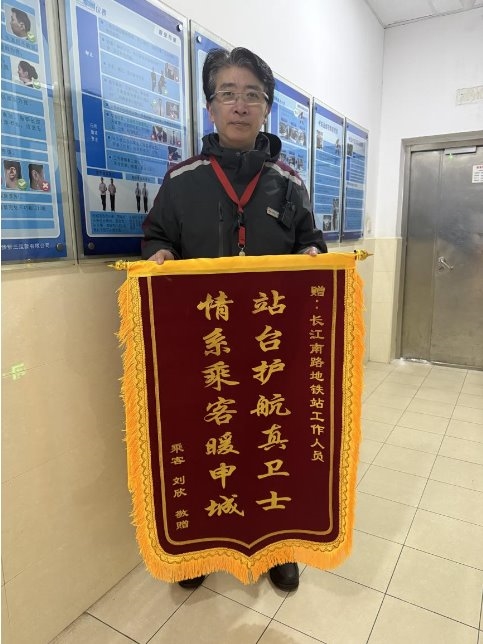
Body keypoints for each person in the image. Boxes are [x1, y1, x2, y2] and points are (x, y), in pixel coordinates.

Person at [142, 47, 327, 593]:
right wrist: (159, 255)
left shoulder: (289, 183)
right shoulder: (182, 181)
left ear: (266, 108)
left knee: (274, 444)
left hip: (273, 350)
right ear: (210, 107)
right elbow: (156, 237)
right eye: (228, 93)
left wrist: (312, 255)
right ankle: (199, 546)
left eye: (252, 95)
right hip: (206, 350)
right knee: (209, 444)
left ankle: (279, 547)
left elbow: (311, 243)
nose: (240, 105)